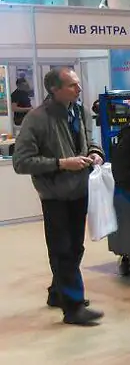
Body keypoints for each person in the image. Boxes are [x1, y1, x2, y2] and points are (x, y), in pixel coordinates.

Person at [13, 66, 105, 325]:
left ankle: (58, 292)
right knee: (62, 249)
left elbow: (90, 141)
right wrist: (61, 163)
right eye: (72, 85)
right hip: (54, 195)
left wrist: (96, 153)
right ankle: (73, 306)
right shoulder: (36, 119)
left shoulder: (80, 112)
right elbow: (21, 162)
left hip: (80, 191)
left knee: (75, 247)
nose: (79, 88)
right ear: (54, 89)